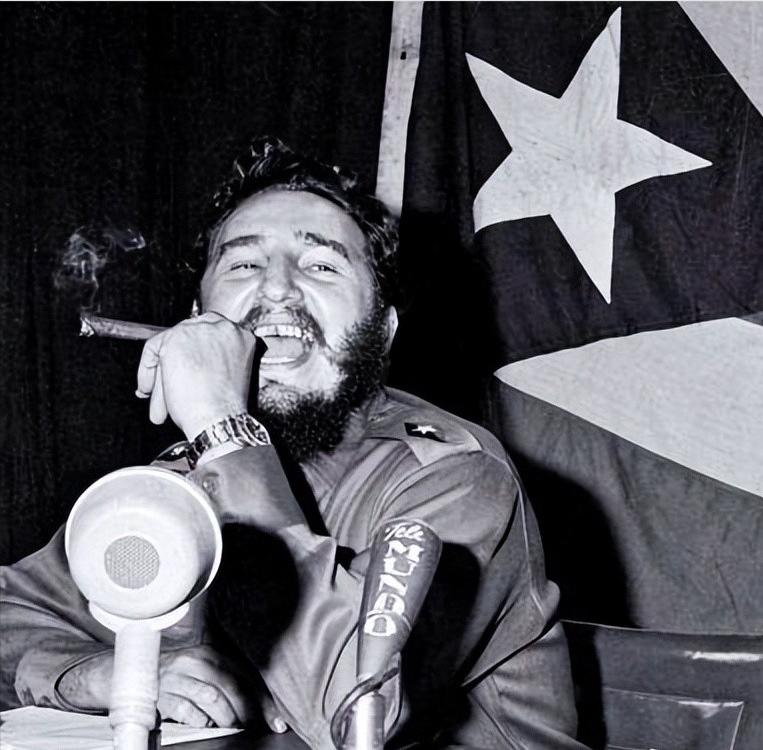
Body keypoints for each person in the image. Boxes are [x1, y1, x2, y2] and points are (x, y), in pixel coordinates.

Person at [0, 137, 586, 749]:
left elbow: (358, 717)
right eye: (243, 266)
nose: (277, 288)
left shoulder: (458, 474)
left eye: (322, 265)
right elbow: (13, 611)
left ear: (383, 329)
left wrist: (223, 427)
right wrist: (99, 674)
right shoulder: (179, 485)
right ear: (200, 318)